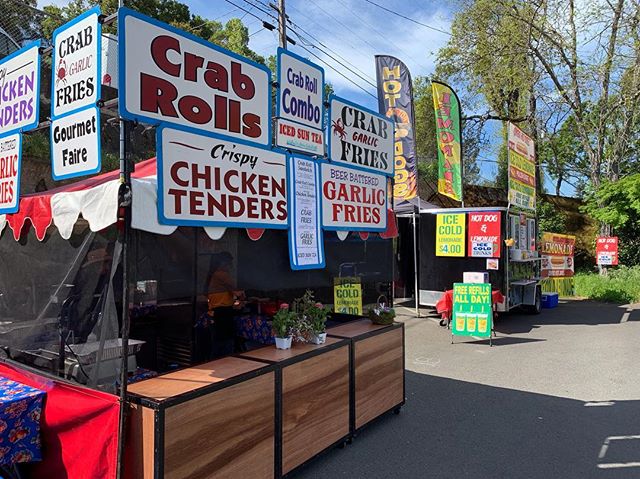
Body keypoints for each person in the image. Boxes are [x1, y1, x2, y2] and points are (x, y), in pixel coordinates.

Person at [204, 252, 244, 358]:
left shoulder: (214, 274)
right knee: (225, 345)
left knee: (218, 345)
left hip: (217, 312)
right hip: (221, 313)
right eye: (229, 262)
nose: (230, 265)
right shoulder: (221, 274)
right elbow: (238, 292)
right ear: (223, 263)